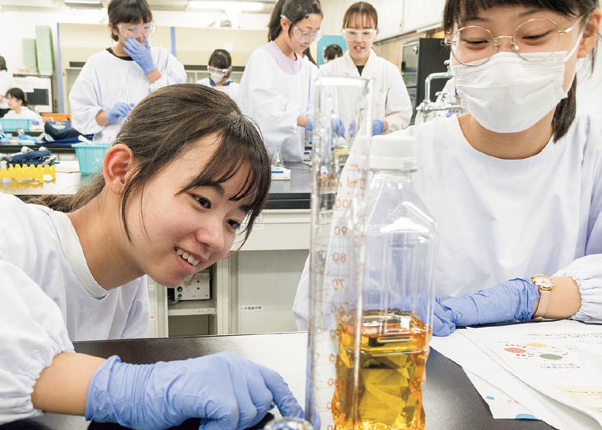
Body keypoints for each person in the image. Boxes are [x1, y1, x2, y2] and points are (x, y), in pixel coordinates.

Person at [0, 84, 303, 430]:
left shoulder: (127, 295)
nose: (217, 239)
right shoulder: (2, 228)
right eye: (202, 200)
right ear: (121, 170)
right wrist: (123, 387)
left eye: (233, 222)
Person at [294, 0, 602, 335]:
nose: (504, 62)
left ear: (585, 34)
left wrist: (535, 296)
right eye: (476, 40)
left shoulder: (593, 153)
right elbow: (326, 315)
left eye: (533, 35)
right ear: (453, 41)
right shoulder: (383, 164)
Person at [69, 0, 186, 144]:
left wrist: (151, 70)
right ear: (113, 28)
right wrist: (108, 115)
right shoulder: (97, 64)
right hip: (112, 145)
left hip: (156, 145)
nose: (141, 35)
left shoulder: (162, 58)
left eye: (146, 27)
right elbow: (82, 115)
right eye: (132, 29)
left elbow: (178, 102)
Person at [238, 0, 324, 163]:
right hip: (259, 162)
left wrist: (324, 122)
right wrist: (305, 122)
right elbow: (266, 113)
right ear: (285, 23)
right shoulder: (262, 59)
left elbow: (313, 109)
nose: (309, 40)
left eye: (315, 33)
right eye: (305, 32)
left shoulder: (308, 68)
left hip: (293, 161)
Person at [319, 2, 412, 137]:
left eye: (366, 33)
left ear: (376, 34)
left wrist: (382, 125)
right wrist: (328, 122)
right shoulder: (327, 72)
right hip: (338, 150)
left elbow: (402, 115)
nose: (359, 39)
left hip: (376, 150)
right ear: (343, 33)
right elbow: (316, 114)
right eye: (352, 32)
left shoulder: (389, 71)